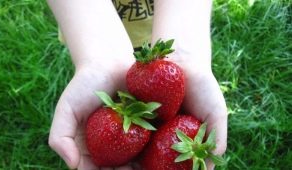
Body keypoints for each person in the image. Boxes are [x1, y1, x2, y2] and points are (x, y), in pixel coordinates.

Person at [47, 0, 228, 169]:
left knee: (146, 66)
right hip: (89, 26)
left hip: (164, 20)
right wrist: (100, 58)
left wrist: (185, 56)